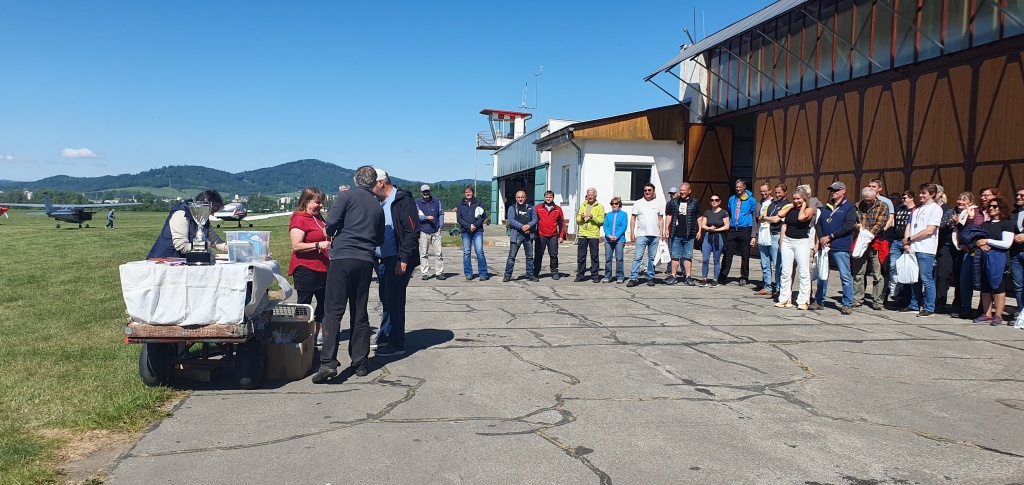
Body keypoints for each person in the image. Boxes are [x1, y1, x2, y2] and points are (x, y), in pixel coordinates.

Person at [312, 166, 385, 383]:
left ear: (355, 180)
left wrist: (334, 231)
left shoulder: (346, 196)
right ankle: (360, 362)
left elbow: (331, 224)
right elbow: (380, 238)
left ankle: (328, 363)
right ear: (374, 182)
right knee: (359, 311)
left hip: (343, 257)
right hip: (365, 260)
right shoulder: (377, 206)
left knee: (333, 312)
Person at [373, 170, 421, 357]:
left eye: (372, 186)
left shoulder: (402, 200)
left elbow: (412, 231)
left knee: (395, 300)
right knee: (386, 299)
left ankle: (396, 343)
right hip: (383, 260)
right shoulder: (380, 202)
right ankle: (385, 335)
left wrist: (404, 259)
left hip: (397, 259)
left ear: (381, 183)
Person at [288, 187, 330, 345]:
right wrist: (318, 245)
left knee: (324, 302)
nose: (321, 205)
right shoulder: (299, 219)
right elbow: (296, 245)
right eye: (317, 202)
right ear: (306, 201)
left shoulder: (318, 217)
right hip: (306, 268)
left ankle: (319, 332)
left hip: (323, 267)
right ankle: (300, 334)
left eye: (321, 202)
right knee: (304, 303)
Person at [814, 181, 857, 315]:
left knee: (845, 275)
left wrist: (831, 236)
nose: (833, 193)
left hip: (840, 246)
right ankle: (819, 300)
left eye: (836, 190)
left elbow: (848, 226)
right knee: (822, 274)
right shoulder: (825, 207)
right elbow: (818, 224)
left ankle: (847, 303)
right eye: (832, 190)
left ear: (843, 191)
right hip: (825, 246)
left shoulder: (849, 207)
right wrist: (822, 238)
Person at [147, 190, 228, 259]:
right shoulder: (181, 215)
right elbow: (182, 246)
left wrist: (230, 247)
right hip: (164, 261)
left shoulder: (203, 218)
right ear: (203, 206)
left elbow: (214, 240)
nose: (212, 214)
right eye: (212, 210)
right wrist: (206, 246)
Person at [972, 197, 1014, 326]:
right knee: (985, 286)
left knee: (998, 286)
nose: (991, 208)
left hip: (999, 258)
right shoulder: (985, 224)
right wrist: (980, 243)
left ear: (1001, 208)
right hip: (984, 257)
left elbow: (1007, 243)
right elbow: (978, 239)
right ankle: (987, 314)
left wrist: (988, 241)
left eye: (995, 206)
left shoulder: (1006, 224)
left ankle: (998, 315)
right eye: (990, 206)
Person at [903, 183, 943, 318]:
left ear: (932, 194)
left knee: (926, 278)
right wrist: (907, 241)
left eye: (923, 193)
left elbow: (929, 230)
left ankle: (929, 307)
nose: (920, 195)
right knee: (915, 278)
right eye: (920, 193)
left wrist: (911, 238)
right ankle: (914, 304)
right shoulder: (917, 209)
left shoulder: (935, 209)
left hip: (926, 248)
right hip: (913, 247)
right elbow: (909, 225)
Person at [775, 186, 815, 309]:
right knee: (786, 272)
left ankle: (803, 301)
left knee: (803, 272)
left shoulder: (809, 210)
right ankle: (785, 298)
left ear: (804, 199)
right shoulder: (790, 208)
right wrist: (791, 206)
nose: (796, 201)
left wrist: (803, 206)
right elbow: (780, 214)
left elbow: (801, 218)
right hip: (788, 241)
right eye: (794, 199)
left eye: (799, 199)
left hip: (801, 242)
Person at [852, 186, 888, 310]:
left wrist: (868, 235)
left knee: (877, 274)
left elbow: (880, 224)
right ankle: (858, 298)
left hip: (875, 242)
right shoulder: (857, 206)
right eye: (866, 200)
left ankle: (877, 300)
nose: (868, 202)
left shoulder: (882, 206)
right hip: (860, 243)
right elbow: (853, 220)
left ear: (875, 196)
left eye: (870, 200)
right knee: (858, 272)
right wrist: (857, 226)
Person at [753, 183, 789, 297]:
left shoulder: (787, 205)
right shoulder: (772, 204)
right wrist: (766, 218)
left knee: (777, 264)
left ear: (785, 192)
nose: (777, 195)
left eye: (779, 193)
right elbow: (760, 217)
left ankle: (779, 288)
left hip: (777, 235)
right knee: (765, 263)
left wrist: (765, 218)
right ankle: (767, 286)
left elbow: (776, 219)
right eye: (776, 192)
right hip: (766, 233)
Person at [720, 179, 756, 286]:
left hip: (745, 229)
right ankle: (723, 275)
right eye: (736, 187)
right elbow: (730, 211)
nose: (738, 189)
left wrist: (754, 233)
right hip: (733, 229)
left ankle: (744, 276)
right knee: (728, 252)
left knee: (745, 253)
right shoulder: (732, 199)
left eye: (740, 187)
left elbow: (754, 214)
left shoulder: (751, 200)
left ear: (744, 187)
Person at [664, 183, 701, 286]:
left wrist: (699, 230)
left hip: (689, 234)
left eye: (684, 190)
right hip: (676, 233)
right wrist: (666, 228)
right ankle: (673, 276)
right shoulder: (673, 202)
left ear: (689, 191)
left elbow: (699, 216)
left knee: (687, 256)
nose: (682, 192)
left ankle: (688, 276)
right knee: (675, 256)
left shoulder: (695, 202)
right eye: (681, 190)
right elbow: (669, 216)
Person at [627, 183, 664, 287]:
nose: (647, 192)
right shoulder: (638, 203)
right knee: (637, 257)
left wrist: (662, 233)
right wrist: (632, 233)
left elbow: (661, 219)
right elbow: (633, 219)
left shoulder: (658, 204)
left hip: (655, 235)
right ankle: (633, 278)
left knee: (652, 258)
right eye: (645, 190)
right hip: (642, 235)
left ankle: (650, 277)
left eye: (649, 190)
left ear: (653, 191)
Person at [886, 191, 916, 309]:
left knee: (906, 268)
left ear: (911, 198)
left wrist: (909, 240)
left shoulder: (915, 210)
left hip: (908, 242)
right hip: (896, 241)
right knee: (893, 266)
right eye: (902, 198)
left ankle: (904, 294)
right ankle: (895, 291)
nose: (903, 200)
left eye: (905, 198)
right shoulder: (898, 210)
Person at [504, 190, 539, 282]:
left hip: (528, 235)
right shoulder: (512, 208)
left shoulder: (531, 208)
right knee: (512, 256)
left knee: (529, 257)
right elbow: (511, 220)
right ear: (516, 198)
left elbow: (535, 219)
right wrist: (522, 227)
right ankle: (507, 275)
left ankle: (530, 274)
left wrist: (529, 225)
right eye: (518, 197)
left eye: (522, 197)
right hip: (517, 235)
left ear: (525, 198)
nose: (520, 199)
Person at [933, 186, 958, 313]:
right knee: (935, 275)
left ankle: (942, 301)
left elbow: (943, 228)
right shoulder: (927, 208)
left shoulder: (947, 210)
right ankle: (934, 300)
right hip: (934, 245)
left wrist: (948, 224)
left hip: (947, 245)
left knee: (944, 275)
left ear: (940, 193)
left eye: (934, 192)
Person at [457, 186, 489, 281]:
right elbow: (459, 218)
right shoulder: (460, 204)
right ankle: (468, 273)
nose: (468, 194)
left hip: (477, 231)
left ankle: (483, 273)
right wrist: (468, 226)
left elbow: (483, 216)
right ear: (464, 194)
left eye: (470, 192)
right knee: (467, 252)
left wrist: (475, 225)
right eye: (466, 192)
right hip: (465, 231)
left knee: (479, 251)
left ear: (473, 193)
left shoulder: (478, 202)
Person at [699, 194, 729, 287]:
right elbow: (703, 225)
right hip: (708, 236)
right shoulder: (707, 212)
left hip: (718, 236)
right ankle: (704, 279)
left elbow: (727, 226)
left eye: (716, 200)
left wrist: (716, 230)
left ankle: (715, 279)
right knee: (705, 259)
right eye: (712, 200)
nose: (714, 202)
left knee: (716, 259)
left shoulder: (724, 213)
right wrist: (709, 228)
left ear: (719, 201)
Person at [535, 190, 566, 280]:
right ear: (544, 198)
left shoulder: (558, 209)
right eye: (547, 197)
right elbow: (534, 221)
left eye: (550, 197)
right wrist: (534, 234)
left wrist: (561, 236)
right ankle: (535, 272)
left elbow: (561, 223)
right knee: (538, 254)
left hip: (553, 235)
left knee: (553, 254)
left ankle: (554, 271)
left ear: (553, 198)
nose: (548, 199)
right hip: (541, 235)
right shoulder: (538, 208)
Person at [575, 188, 605, 282]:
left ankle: (595, 275)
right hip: (582, 234)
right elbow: (577, 219)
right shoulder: (583, 205)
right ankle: (580, 275)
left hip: (593, 234)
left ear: (595, 196)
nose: (590, 197)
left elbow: (601, 221)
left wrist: (592, 217)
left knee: (594, 256)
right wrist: (581, 217)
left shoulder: (599, 206)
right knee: (581, 256)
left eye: (592, 195)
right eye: (588, 195)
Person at [416, 184, 445, 281]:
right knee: (423, 254)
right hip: (424, 231)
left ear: (429, 191)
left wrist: (440, 225)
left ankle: (439, 273)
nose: (426, 193)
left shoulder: (436, 201)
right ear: (421, 192)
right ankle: (425, 273)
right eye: (424, 192)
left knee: (438, 253)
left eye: (427, 191)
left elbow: (441, 213)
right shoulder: (417, 202)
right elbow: (415, 215)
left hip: (436, 231)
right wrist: (426, 218)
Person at [603, 197, 629, 283]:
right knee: (608, 259)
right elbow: (605, 226)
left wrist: (616, 236)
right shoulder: (608, 215)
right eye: (613, 204)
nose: (614, 205)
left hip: (619, 240)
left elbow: (623, 226)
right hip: (608, 240)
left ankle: (620, 276)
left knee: (619, 259)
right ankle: (607, 276)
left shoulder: (624, 214)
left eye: (616, 203)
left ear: (619, 205)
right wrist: (609, 235)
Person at [1011, 187, 1024, 323]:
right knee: (1018, 284)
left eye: (1022, 196)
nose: (1019, 197)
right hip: (1015, 252)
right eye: (1017, 195)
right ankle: (1021, 312)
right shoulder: (1014, 213)